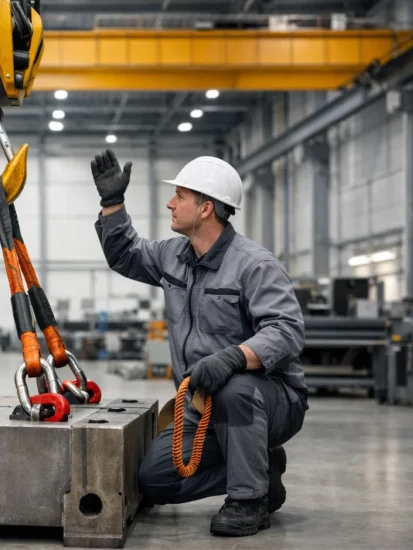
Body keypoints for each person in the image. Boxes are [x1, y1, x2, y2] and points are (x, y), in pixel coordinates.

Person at [91, 151, 308, 537]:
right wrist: (113, 206)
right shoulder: (173, 256)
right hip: (200, 401)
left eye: (180, 196)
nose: (171, 204)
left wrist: (233, 358)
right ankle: (263, 469)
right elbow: (125, 254)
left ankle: (249, 500)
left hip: (272, 400)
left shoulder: (253, 265)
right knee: (156, 478)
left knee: (235, 387)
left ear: (206, 208)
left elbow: (287, 330)